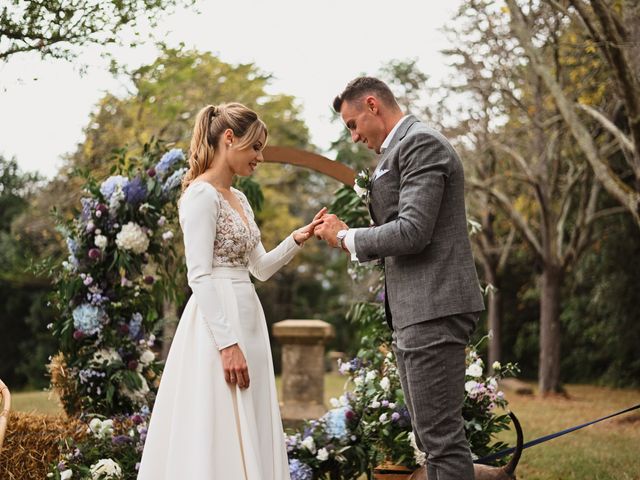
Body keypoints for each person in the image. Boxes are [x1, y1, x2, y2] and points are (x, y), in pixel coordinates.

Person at [138, 102, 324, 479]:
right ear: (228, 139)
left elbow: (259, 268)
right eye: (255, 147)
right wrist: (227, 344)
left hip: (248, 317)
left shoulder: (239, 199)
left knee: (250, 417)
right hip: (217, 326)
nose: (260, 157)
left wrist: (296, 238)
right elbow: (199, 276)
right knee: (219, 422)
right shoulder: (200, 196)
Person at [314, 77, 485, 480]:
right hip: (416, 310)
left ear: (373, 105)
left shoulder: (420, 143)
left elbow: (412, 231)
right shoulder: (401, 148)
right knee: (430, 441)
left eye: (353, 124)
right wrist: (346, 234)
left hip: (435, 307)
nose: (354, 137)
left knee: (441, 441)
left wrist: (343, 236)